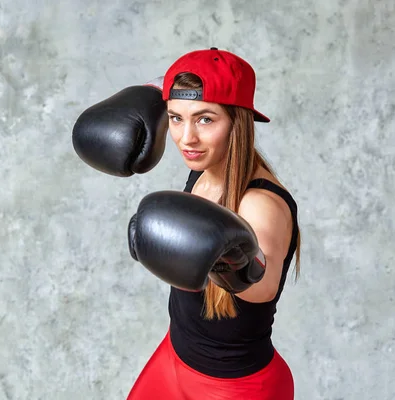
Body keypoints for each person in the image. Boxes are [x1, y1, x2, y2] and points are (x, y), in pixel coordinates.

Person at [72, 47, 301, 400]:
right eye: (175, 117)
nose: (186, 138)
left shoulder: (260, 203)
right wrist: (151, 93)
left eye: (206, 119)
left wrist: (230, 260)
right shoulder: (206, 166)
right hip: (174, 357)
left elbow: (263, 284)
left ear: (238, 121)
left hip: (235, 387)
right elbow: (174, 87)